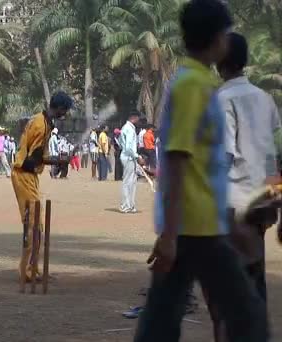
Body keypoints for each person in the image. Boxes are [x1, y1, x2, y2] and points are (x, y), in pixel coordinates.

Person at [134, 1, 267, 341]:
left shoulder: (199, 83)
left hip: (201, 225)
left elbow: (202, 167)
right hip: (194, 229)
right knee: (248, 316)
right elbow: (178, 159)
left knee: (162, 320)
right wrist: (169, 235)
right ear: (217, 38)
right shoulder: (193, 86)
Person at [211, 31, 282, 342]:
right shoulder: (264, 99)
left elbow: (224, 156)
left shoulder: (222, 99)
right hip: (259, 205)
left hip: (231, 205)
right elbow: (270, 155)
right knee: (254, 285)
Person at [11, 91, 72, 282]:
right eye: (65, 110)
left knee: (38, 224)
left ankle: (33, 267)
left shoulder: (43, 121)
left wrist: (57, 160)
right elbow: (31, 159)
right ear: (59, 108)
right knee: (33, 225)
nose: (66, 114)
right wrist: (56, 160)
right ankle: (26, 271)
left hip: (29, 174)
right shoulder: (40, 124)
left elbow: (39, 157)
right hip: (24, 174)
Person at [119, 113, 144, 213]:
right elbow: (128, 147)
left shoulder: (127, 128)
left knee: (132, 182)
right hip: (129, 157)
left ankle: (131, 205)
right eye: (138, 119)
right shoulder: (129, 129)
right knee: (127, 182)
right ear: (134, 118)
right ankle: (125, 206)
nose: (139, 121)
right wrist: (137, 156)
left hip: (129, 157)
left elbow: (121, 143)